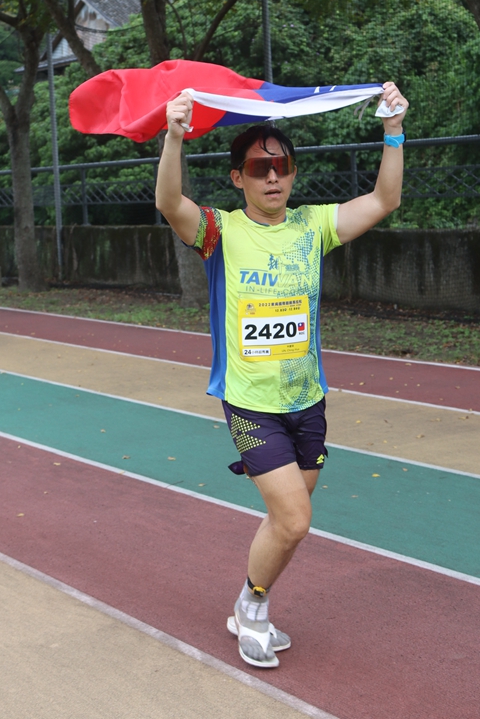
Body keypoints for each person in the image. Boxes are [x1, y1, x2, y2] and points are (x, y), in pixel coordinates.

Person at [155, 82, 408, 669]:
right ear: (238, 178)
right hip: (250, 402)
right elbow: (171, 202)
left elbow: (384, 199)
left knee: (284, 521)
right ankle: (253, 609)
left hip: (307, 400)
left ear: (293, 174)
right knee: (295, 519)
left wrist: (393, 130)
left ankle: (249, 599)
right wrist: (174, 134)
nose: (272, 177)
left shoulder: (314, 225)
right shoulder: (219, 231)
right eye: (258, 167)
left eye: (282, 166)